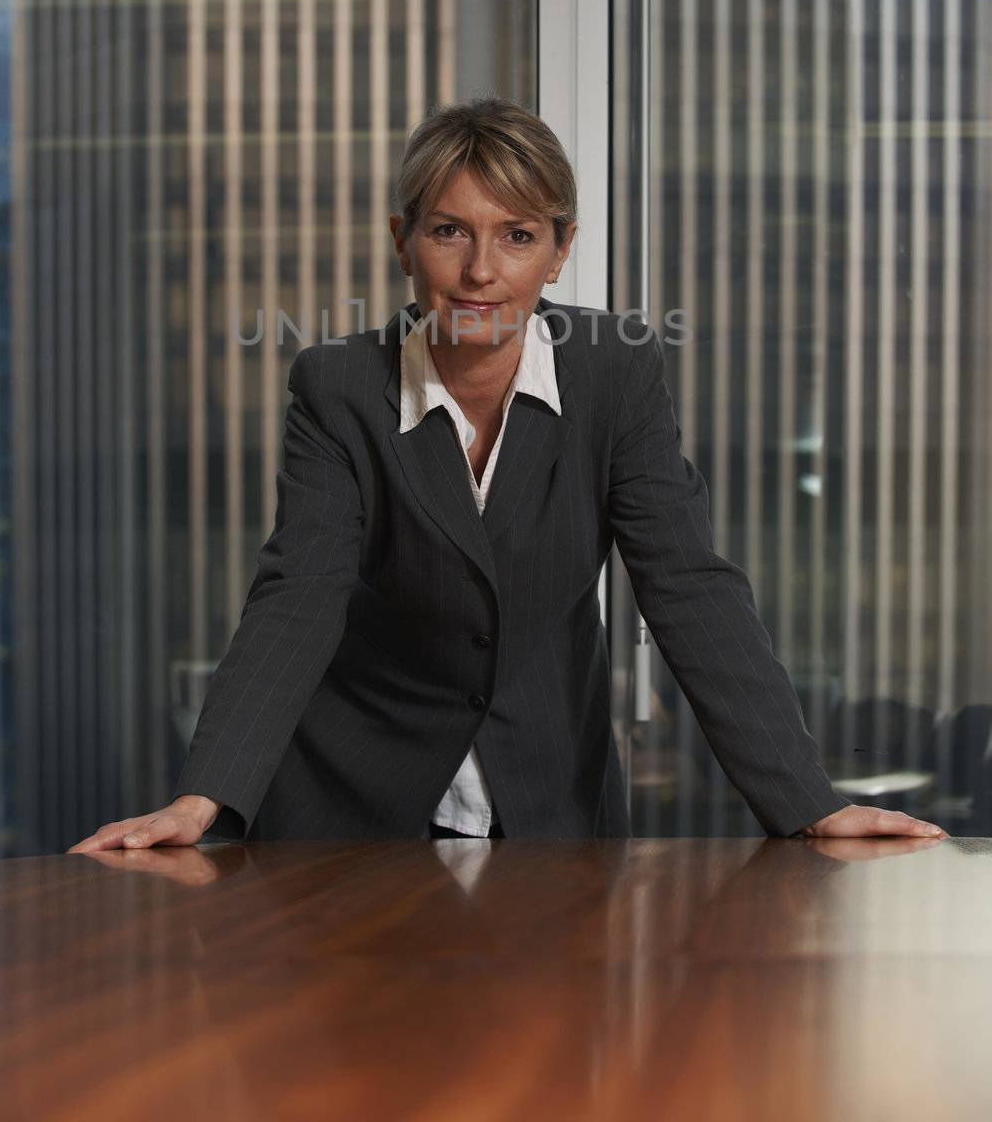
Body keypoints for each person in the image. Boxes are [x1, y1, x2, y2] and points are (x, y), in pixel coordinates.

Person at [68, 98, 946, 853]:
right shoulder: (338, 387)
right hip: (348, 809)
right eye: (450, 230)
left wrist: (809, 805)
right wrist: (204, 797)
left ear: (559, 251)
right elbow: (299, 594)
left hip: (549, 807)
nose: (482, 269)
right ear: (402, 242)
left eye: (517, 236)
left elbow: (687, 586)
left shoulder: (614, 374)